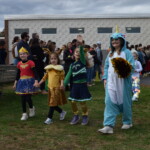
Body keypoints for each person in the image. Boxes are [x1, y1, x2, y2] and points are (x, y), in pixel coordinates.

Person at [98, 32, 134, 134]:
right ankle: (108, 125)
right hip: (111, 82)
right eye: (112, 40)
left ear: (122, 41)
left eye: (116, 39)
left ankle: (127, 121)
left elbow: (132, 66)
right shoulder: (110, 54)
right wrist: (105, 78)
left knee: (125, 102)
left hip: (123, 82)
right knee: (109, 101)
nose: (114, 41)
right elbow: (106, 67)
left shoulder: (127, 53)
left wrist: (125, 69)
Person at [64, 35, 92, 126]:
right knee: (73, 101)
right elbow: (68, 75)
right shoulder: (72, 65)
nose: (78, 53)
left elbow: (81, 51)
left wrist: (79, 44)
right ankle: (76, 115)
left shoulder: (83, 62)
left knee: (82, 102)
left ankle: (85, 116)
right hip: (75, 85)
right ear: (73, 54)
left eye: (79, 52)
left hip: (82, 85)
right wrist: (63, 84)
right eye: (76, 52)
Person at [37, 52, 67, 125]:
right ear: (50, 60)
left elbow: (62, 78)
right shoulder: (49, 69)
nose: (53, 60)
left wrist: (62, 84)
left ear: (57, 60)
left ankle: (49, 118)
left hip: (56, 88)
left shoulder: (60, 69)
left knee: (52, 103)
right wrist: (39, 83)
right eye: (52, 59)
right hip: (50, 89)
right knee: (53, 103)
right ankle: (62, 112)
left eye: (55, 59)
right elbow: (44, 78)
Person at [13, 47, 39, 121]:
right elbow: (18, 74)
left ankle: (31, 108)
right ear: (19, 56)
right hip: (21, 82)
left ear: (27, 55)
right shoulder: (19, 64)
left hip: (30, 82)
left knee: (27, 97)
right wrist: (15, 83)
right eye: (21, 54)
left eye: (24, 54)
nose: (22, 55)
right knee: (22, 98)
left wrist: (36, 81)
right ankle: (24, 113)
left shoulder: (31, 62)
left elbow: (35, 72)